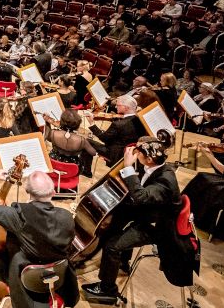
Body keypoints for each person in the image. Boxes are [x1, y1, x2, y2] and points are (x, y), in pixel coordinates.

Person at [82, 130, 195, 303]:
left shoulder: (165, 181)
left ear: (148, 159)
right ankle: (121, 262)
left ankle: (107, 290)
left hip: (159, 228)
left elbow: (141, 197)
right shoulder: (156, 166)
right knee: (117, 219)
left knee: (112, 246)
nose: (135, 155)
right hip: (149, 214)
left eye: (138, 153)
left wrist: (128, 167)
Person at [0, 171, 78, 308]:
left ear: (27, 191)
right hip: (57, 276)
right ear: (53, 192)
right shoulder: (67, 217)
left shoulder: (19, 216)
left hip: (23, 276)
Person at [88, 94, 145, 165]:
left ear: (126, 108)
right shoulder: (141, 121)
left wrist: (92, 124)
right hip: (127, 153)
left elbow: (104, 138)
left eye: (118, 105)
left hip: (114, 154)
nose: (115, 106)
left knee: (85, 141)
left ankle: (86, 171)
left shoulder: (118, 124)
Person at [44, 109, 98, 178]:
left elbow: (46, 136)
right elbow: (93, 153)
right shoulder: (81, 140)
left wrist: (47, 122)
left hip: (54, 166)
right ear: (77, 125)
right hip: (71, 171)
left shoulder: (53, 133)